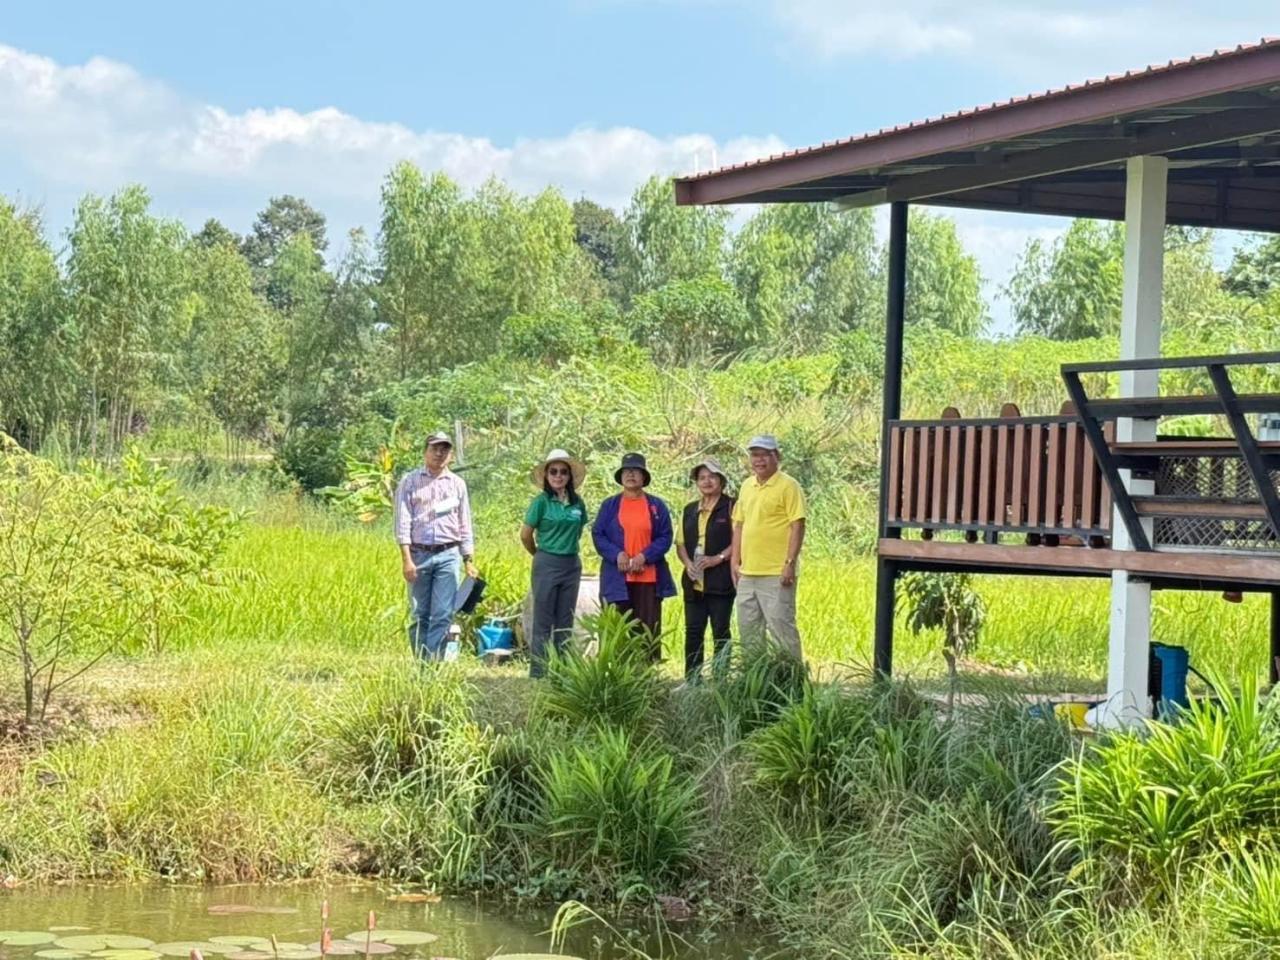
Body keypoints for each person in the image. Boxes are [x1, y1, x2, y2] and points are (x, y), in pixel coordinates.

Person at [393, 431, 479, 660]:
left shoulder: (457, 484)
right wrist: (406, 559)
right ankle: (422, 664)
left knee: (443, 614)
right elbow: (402, 522)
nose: (439, 453)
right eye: (435, 448)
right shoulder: (410, 481)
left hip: (448, 554)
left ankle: (432, 666)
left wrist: (468, 559)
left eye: (445, 449)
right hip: (419, 554)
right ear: (425, 452)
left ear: (450, 455)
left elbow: (464, 523)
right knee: (420, 614)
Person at [592, 452, 676, 661]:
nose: (631, 475)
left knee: (647, 630)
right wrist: (616, 554)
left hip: (647, 579)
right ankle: (615, 676)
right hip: (616, 579)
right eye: (626, 471)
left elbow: (666, 536)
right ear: (621, 477)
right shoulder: (609, 505)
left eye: (636, 471)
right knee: (615, 631)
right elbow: (598, 534)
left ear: (643, 477)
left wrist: (645, 556)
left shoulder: (656, 506)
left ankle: (646, 676)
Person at [731, 434, 806, 658]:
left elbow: (797, 524)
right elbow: (739, 526)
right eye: (755, 455)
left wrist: (789, 564)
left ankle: (792, 684)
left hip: (776, 573)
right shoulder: (747, 486)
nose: (759, 460)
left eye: (765, 455)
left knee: (782, 632)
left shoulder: (788, 486)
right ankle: (755, 684)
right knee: (749, 634)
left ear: (777, 457)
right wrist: (735, 561)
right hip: (748, 573)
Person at [520, 449, 589, 678]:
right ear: (547, 476)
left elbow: (578, 530)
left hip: (571, 564)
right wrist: (539, 554)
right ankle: (539, 672)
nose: (558, 476)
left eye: (563, 472)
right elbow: (526, 534)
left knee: (565, 619)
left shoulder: (577, 503)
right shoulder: (541, 502)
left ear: (569, 476)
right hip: (546, 562)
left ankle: (562, 671)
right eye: (553, 472)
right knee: (543, 618)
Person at [675, 458, 736, 683]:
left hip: (721, 580)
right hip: (694, 581)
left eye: (712, 476)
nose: (707, 481)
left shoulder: (731, 506)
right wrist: (688, 564)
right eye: (702, 478)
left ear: (721, 480)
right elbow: (680, 543)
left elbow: (740, 540)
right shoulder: (690, 510)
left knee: (720, 630)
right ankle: (692, 679)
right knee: (693, 631)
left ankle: (720, 680)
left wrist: (718, 558)